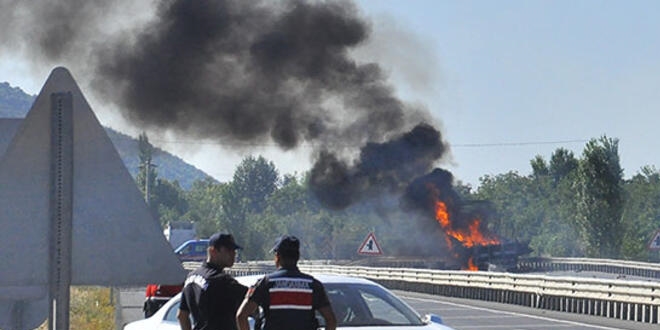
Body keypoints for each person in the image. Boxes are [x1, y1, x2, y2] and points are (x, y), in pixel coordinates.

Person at [236, 235, 337, 330]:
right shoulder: (313, 285)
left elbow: (241, 316)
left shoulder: (266, 283)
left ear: (277, 256)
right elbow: (331, 320)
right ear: (297, 257)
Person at [178, 232, 247, 330]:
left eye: (234, 250)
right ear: (212, 251)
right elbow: (253, 300)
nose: (233, 254)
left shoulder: (191, 277)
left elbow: (182, 315)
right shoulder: (221, 280)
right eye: (228, 250)